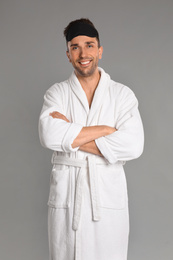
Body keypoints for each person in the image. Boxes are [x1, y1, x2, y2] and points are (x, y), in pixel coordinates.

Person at [38, 18, 144, 260]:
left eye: (89, 45)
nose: (83, 53)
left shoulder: (122, 95)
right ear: (68, 54)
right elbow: (48, 134)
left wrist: (71, 136)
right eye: (75, 47)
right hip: (67, 203)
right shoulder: (57, 93)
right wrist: (106, 130)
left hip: (106, 200)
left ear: (100, 50)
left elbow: (134, 144)